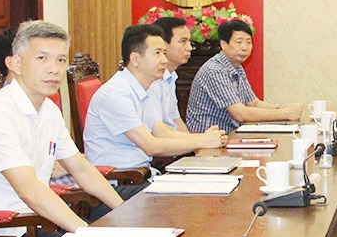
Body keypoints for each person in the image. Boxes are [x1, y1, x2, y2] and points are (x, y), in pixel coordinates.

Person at [0, 21, 123, 237]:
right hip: (4, 233)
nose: (54, 69)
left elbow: (81, 169)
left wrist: (123, 212)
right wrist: (88, 234)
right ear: (16, 64)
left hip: (35, 221)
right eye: (42, 58)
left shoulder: (48, 110)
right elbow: (29, 190)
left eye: (61, 60)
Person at [84, 25, 227, 183]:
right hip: (119, 181)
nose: (164, 60)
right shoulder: (116, 94)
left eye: (164, 53)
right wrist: (202, 141)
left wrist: (204, 137)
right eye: (157, 53)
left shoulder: (145, 89)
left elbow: (161, 132)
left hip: (141, 176)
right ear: (135, 59)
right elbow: (151, 146)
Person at [186, 19, 302, 133]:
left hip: (228, 135)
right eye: (239, 42)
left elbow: (254, 103)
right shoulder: (215, 70)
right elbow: (240, 114)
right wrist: (284, 114)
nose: (245, 47)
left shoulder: (236, 67)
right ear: (223, 44)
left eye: (248, 42)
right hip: (208, 139)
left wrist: (282, 108)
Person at [153, 16, 193, 131]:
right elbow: (157, 129)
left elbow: (175, 119)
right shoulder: (152, 79)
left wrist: (193, 141)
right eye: (183, 41)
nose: (189, 48)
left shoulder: (171, 76)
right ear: (163, 44)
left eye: (189, 41)